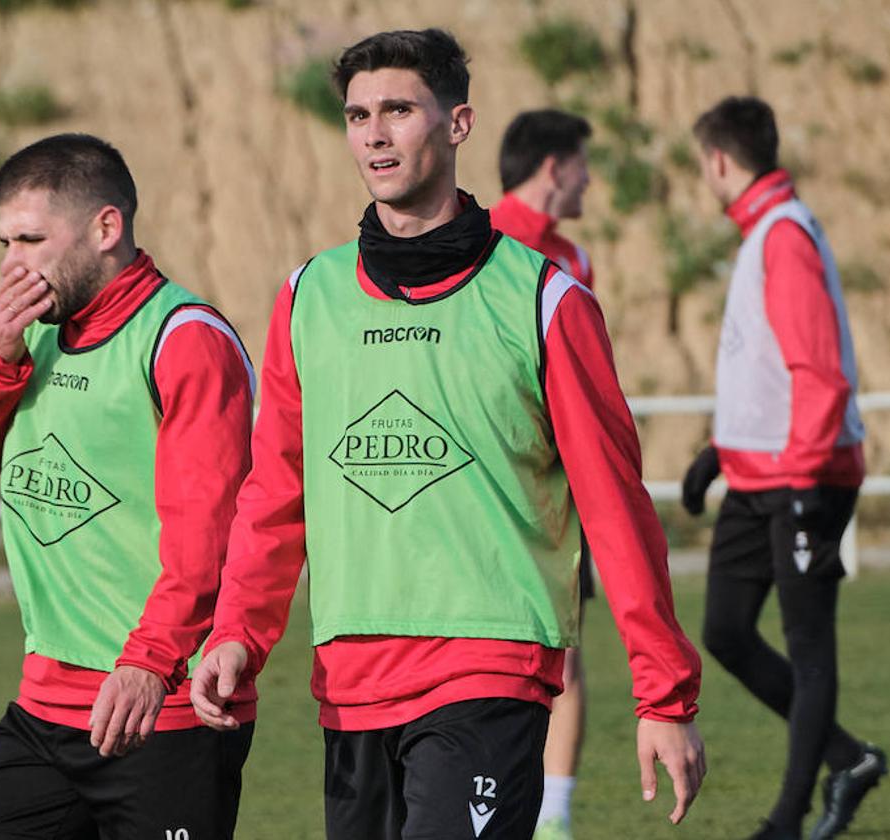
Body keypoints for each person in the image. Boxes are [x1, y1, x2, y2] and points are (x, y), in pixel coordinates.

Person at [189, 28, 705, 840]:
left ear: (458, 124)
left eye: (399, 109)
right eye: (359, 114)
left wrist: (663, 695)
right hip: (349, 680)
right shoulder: (308, 295)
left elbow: (615, 504)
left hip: (488, 669)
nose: (375, 133)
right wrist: (237, 633)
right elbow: (275, 490)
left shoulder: (545, 301)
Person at [0, 133, 256, 840]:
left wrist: (150, 665)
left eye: (29, 240)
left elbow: (208, 539)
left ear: (106, 228)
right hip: (43, 709)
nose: (9, 265)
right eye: (4, 242)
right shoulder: (34, 332)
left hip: (161, 710)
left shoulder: (184, 339)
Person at [682, 96, 887, 840]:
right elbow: (766, 374)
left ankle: (788, 821)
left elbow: (821, 377)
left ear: (719, 161)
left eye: (702, 164)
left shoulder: (784, 236)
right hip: (758, 477)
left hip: (808, 481)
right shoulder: (764, 231)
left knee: (809, 651)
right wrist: (718, 454)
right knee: (727, 631)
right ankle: (850, 759)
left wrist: (802, 486)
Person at [490, 108, 595, 840]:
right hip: (491, 490)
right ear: (555, 167)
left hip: (557, 494)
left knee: (565, 650)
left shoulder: (572, 261)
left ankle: (553, 823)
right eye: (584, 163)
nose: (591, 177)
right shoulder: (481, 243)